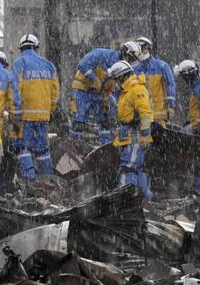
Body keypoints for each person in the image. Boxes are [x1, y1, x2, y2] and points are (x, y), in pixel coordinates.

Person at [70, 41, 143, 145]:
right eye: (131, 59)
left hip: (100, 94)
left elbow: (115, 88)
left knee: (106, 121)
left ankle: (104, 147)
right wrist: (94, 79)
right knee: (79, 121)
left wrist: (108, 98)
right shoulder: (101, 54)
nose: (131, 62)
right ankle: (75, 146)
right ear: (125, 53)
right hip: (83, 90)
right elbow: (82, 65)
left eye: (133, 60)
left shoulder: (123, 68)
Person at [12, 34, 59, 177]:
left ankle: (29, 179)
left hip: (25, 116)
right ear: (36, 47)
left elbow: (15, 89)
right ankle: (48, 179)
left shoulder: (19, 63)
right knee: (42, 150)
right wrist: (51, 110)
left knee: (22, 147)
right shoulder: (49, 65)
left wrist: (16, 113)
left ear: (21, 48)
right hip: (43, 116)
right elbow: (55, 92)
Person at [108, 61, 153, 200]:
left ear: (121, 76)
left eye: (115, 79)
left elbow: (145, 112)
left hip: (136, 133)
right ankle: (145, 198)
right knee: (136, 168)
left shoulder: (136, 89)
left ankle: (125, 198)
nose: (115, 82)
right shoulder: (127, 90)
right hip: (131, 132)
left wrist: (145, 134)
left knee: (128, 167)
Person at [133, 37, 176, 126]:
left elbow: (170, 85)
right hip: (143, 115)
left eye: (143, 49)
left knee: (160, 137)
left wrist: (171, 105)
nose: (141, 52)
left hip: (159, 114)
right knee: (146, 137)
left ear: (149, 49)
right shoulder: (135, 69)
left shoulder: (162, 66)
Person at [174, 60, 200, 135]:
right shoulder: (196, 87)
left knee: (181, 134)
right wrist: (189, 120)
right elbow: (195, 109)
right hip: (195, 123)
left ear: (188, 76)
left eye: (183, 77)